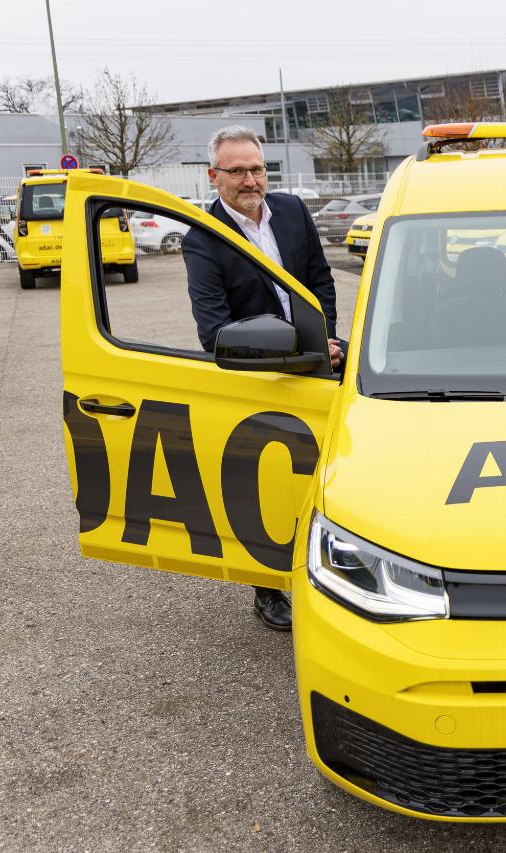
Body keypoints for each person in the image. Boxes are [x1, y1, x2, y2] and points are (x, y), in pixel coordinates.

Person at [183, 125, 344, 632]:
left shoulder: (292, 211)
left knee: (330, 473)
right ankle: (266, 588)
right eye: (237, 172)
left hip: (319, 359)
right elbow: (214, 331)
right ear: (213, 176)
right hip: (259, 376)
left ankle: (334, 566)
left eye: (257, 169)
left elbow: (320, 279)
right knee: (267, 485)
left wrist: (324, 337)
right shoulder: (202, 239)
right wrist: (291, 350)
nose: (250, 181)